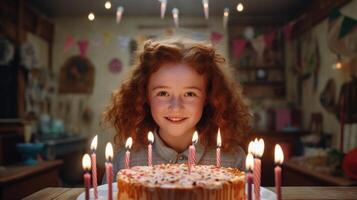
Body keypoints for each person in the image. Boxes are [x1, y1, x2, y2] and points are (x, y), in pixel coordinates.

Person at [102, 38, 251, 182]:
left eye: (190, 94)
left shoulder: (233, 159)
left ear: (208, 97)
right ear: (145, 96)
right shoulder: (125, 161)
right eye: (163, 93)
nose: (176, 106)